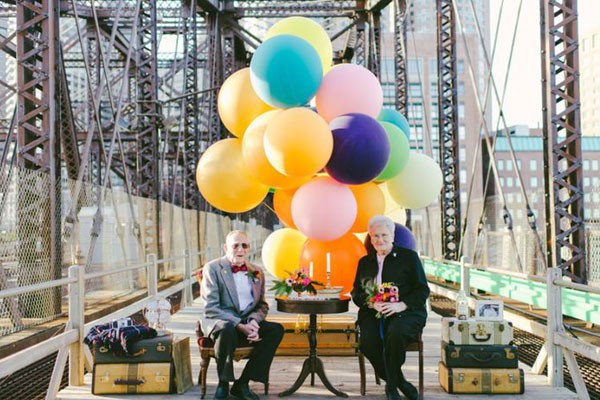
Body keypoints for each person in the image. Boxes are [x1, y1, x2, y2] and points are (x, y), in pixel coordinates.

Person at [351, 215, 430, 400]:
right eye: (375, 236)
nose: (380, 240)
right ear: (370, 238)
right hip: (373, 311)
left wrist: (401, 305)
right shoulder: (364, 262)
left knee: (395, 335)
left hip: (406, 311)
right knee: (368, 342)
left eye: (384, 235)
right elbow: (356, 293)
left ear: (393, 235)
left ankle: (391, 389)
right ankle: (399, 382)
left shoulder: (409, 258)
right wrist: (371, 303)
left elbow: (422, 290)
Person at [199, 230, 284, 400]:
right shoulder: (213, 268)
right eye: (235, 245)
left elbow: (262, 305)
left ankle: (243, 383)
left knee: (276, 330)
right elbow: (211, 307)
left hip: (247, 320)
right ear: (225, 248)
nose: (240, 249)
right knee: (226, 328)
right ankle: (223, 383)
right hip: (220, 320)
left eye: (244, 245)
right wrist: (240, 325)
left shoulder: (257, 271)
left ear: (248, 248)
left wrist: (253, 322)